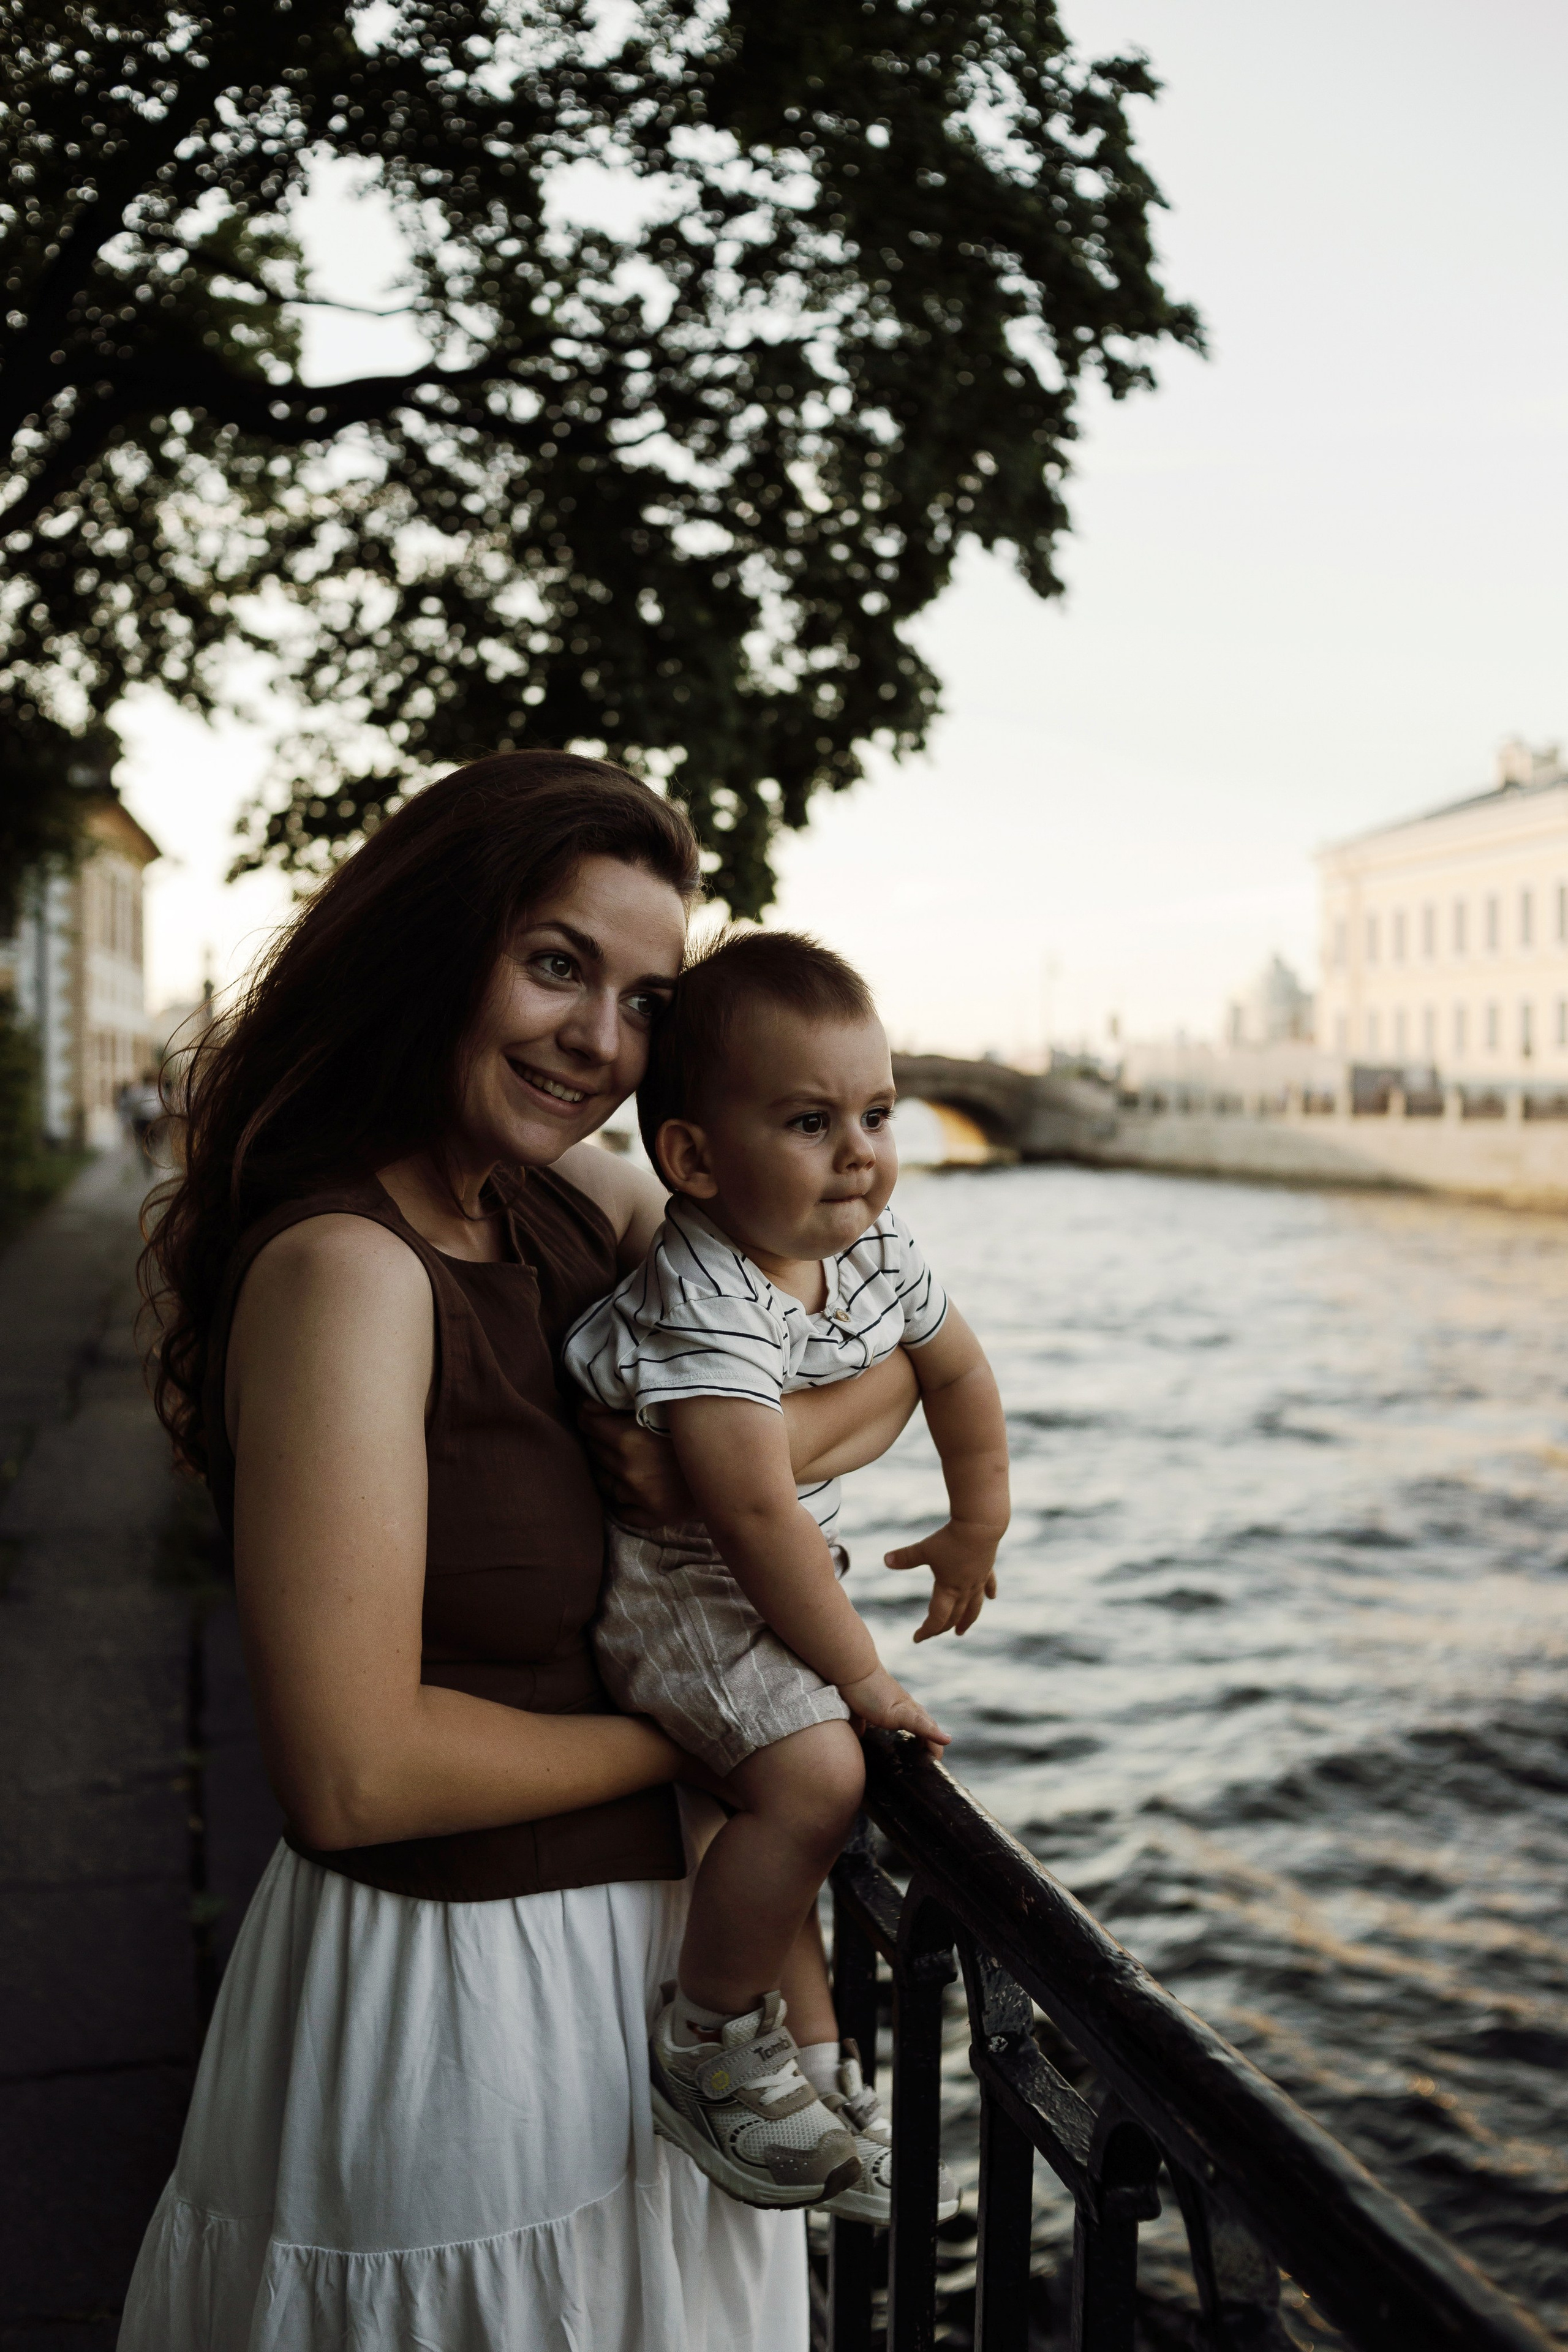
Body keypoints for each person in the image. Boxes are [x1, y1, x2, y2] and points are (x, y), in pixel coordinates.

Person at [120, 753, 921, 2351]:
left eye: (644, 1001)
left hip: (658, 2000)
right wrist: (717, 1726)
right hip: (457, 2021)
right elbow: (355, 1772)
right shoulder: (353, 1268)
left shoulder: (575, 1207)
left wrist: (726, 1460)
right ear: (436, 942)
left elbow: (893, 1344)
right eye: (557, 964)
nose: (599, 1042)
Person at [564, 929, 1010, 2225]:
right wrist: (863, 1674)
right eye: (811, 1122)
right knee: (817, 1769)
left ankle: (807, 2078)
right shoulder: (701, 1290)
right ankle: (706, 2049)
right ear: (694, 1158)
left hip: (759, 1570)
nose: (861, 1152)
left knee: (807, 1783)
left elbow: (956, 1373)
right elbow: (748, 1510)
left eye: (874, 1113)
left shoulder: (871, 1245)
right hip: (670, 1592)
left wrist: (975, 1523)